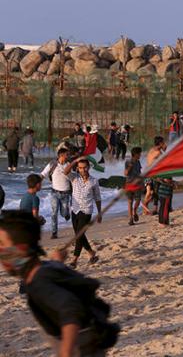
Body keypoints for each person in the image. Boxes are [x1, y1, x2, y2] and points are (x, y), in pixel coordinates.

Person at [0, 210, 120, 356]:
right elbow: (53, 273)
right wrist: (57, 261)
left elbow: (71, 309)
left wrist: (65, 352)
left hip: (81, 348)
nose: (1, 252)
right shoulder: (47, 268)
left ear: (21, 249)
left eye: (2, 244)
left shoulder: (39, 282)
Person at [63, 158, 101, 269]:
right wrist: (75, 161)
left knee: (79, 234)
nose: (83, 170)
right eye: (80, 168)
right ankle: (91, 253)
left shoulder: (94, 181)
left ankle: (74, 260)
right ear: (77, 168)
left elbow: (97, 198)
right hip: (75, 210)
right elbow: (65, 171)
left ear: (88, 167)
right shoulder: (74, 177)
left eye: (84, 167)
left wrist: (99, 213)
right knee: (79, 235)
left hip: (86, 211)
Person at [40, 148, 72, 239]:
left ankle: (66, 214)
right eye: (67, 155)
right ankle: (54, 233)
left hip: (66, 193)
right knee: (54, 213)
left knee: (63, 213)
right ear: (61, 155)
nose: (68, 156)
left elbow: (73, 178)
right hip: (54, 192)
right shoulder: (52, 164)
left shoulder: (69, 165)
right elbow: (43, 174)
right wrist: (37, 182)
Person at [142, 136, 166, 215]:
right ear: (160, 143)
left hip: (147, 172)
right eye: (163, 142)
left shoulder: (151, 150)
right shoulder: (159, 153)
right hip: (153, 174)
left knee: (149, 192)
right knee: (155, 192)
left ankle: (145, 209)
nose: (164, 144)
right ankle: (146, 206)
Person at [124, 147, 142, 226]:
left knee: (138, 200)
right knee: (130, 201)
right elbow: (125, 173)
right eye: (139, 154)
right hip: (129, 183)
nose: (140, 155)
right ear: (135, 154)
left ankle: (135, 211)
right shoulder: (128, 162)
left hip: (137, 183)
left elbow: (139, 172)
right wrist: (129, 167)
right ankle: (131, 218)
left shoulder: (138, 162)